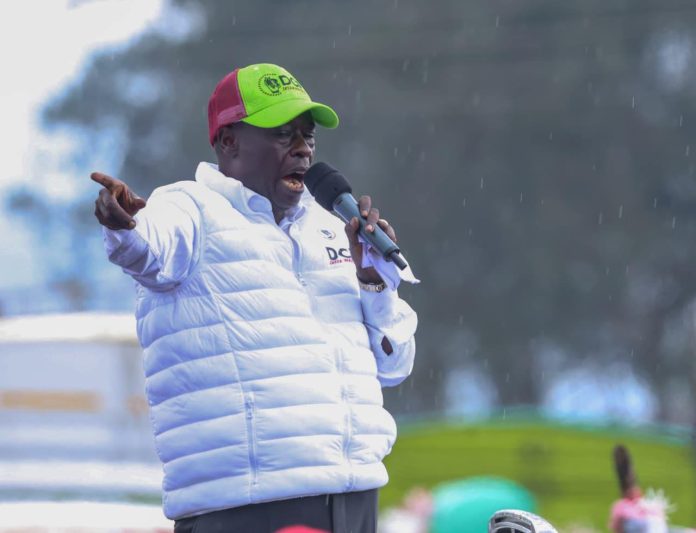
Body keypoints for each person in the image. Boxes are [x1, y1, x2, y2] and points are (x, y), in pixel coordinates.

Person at [91, 63, 417, 533]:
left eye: (308, 136)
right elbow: (147, 249)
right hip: (249, 506)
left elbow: (394, 366)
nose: (303, 148)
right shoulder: (189, 206)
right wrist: (124, 226)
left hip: (354, 500)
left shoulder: (333, 229)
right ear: (229, 142)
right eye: (283, 134)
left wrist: (374, 282)